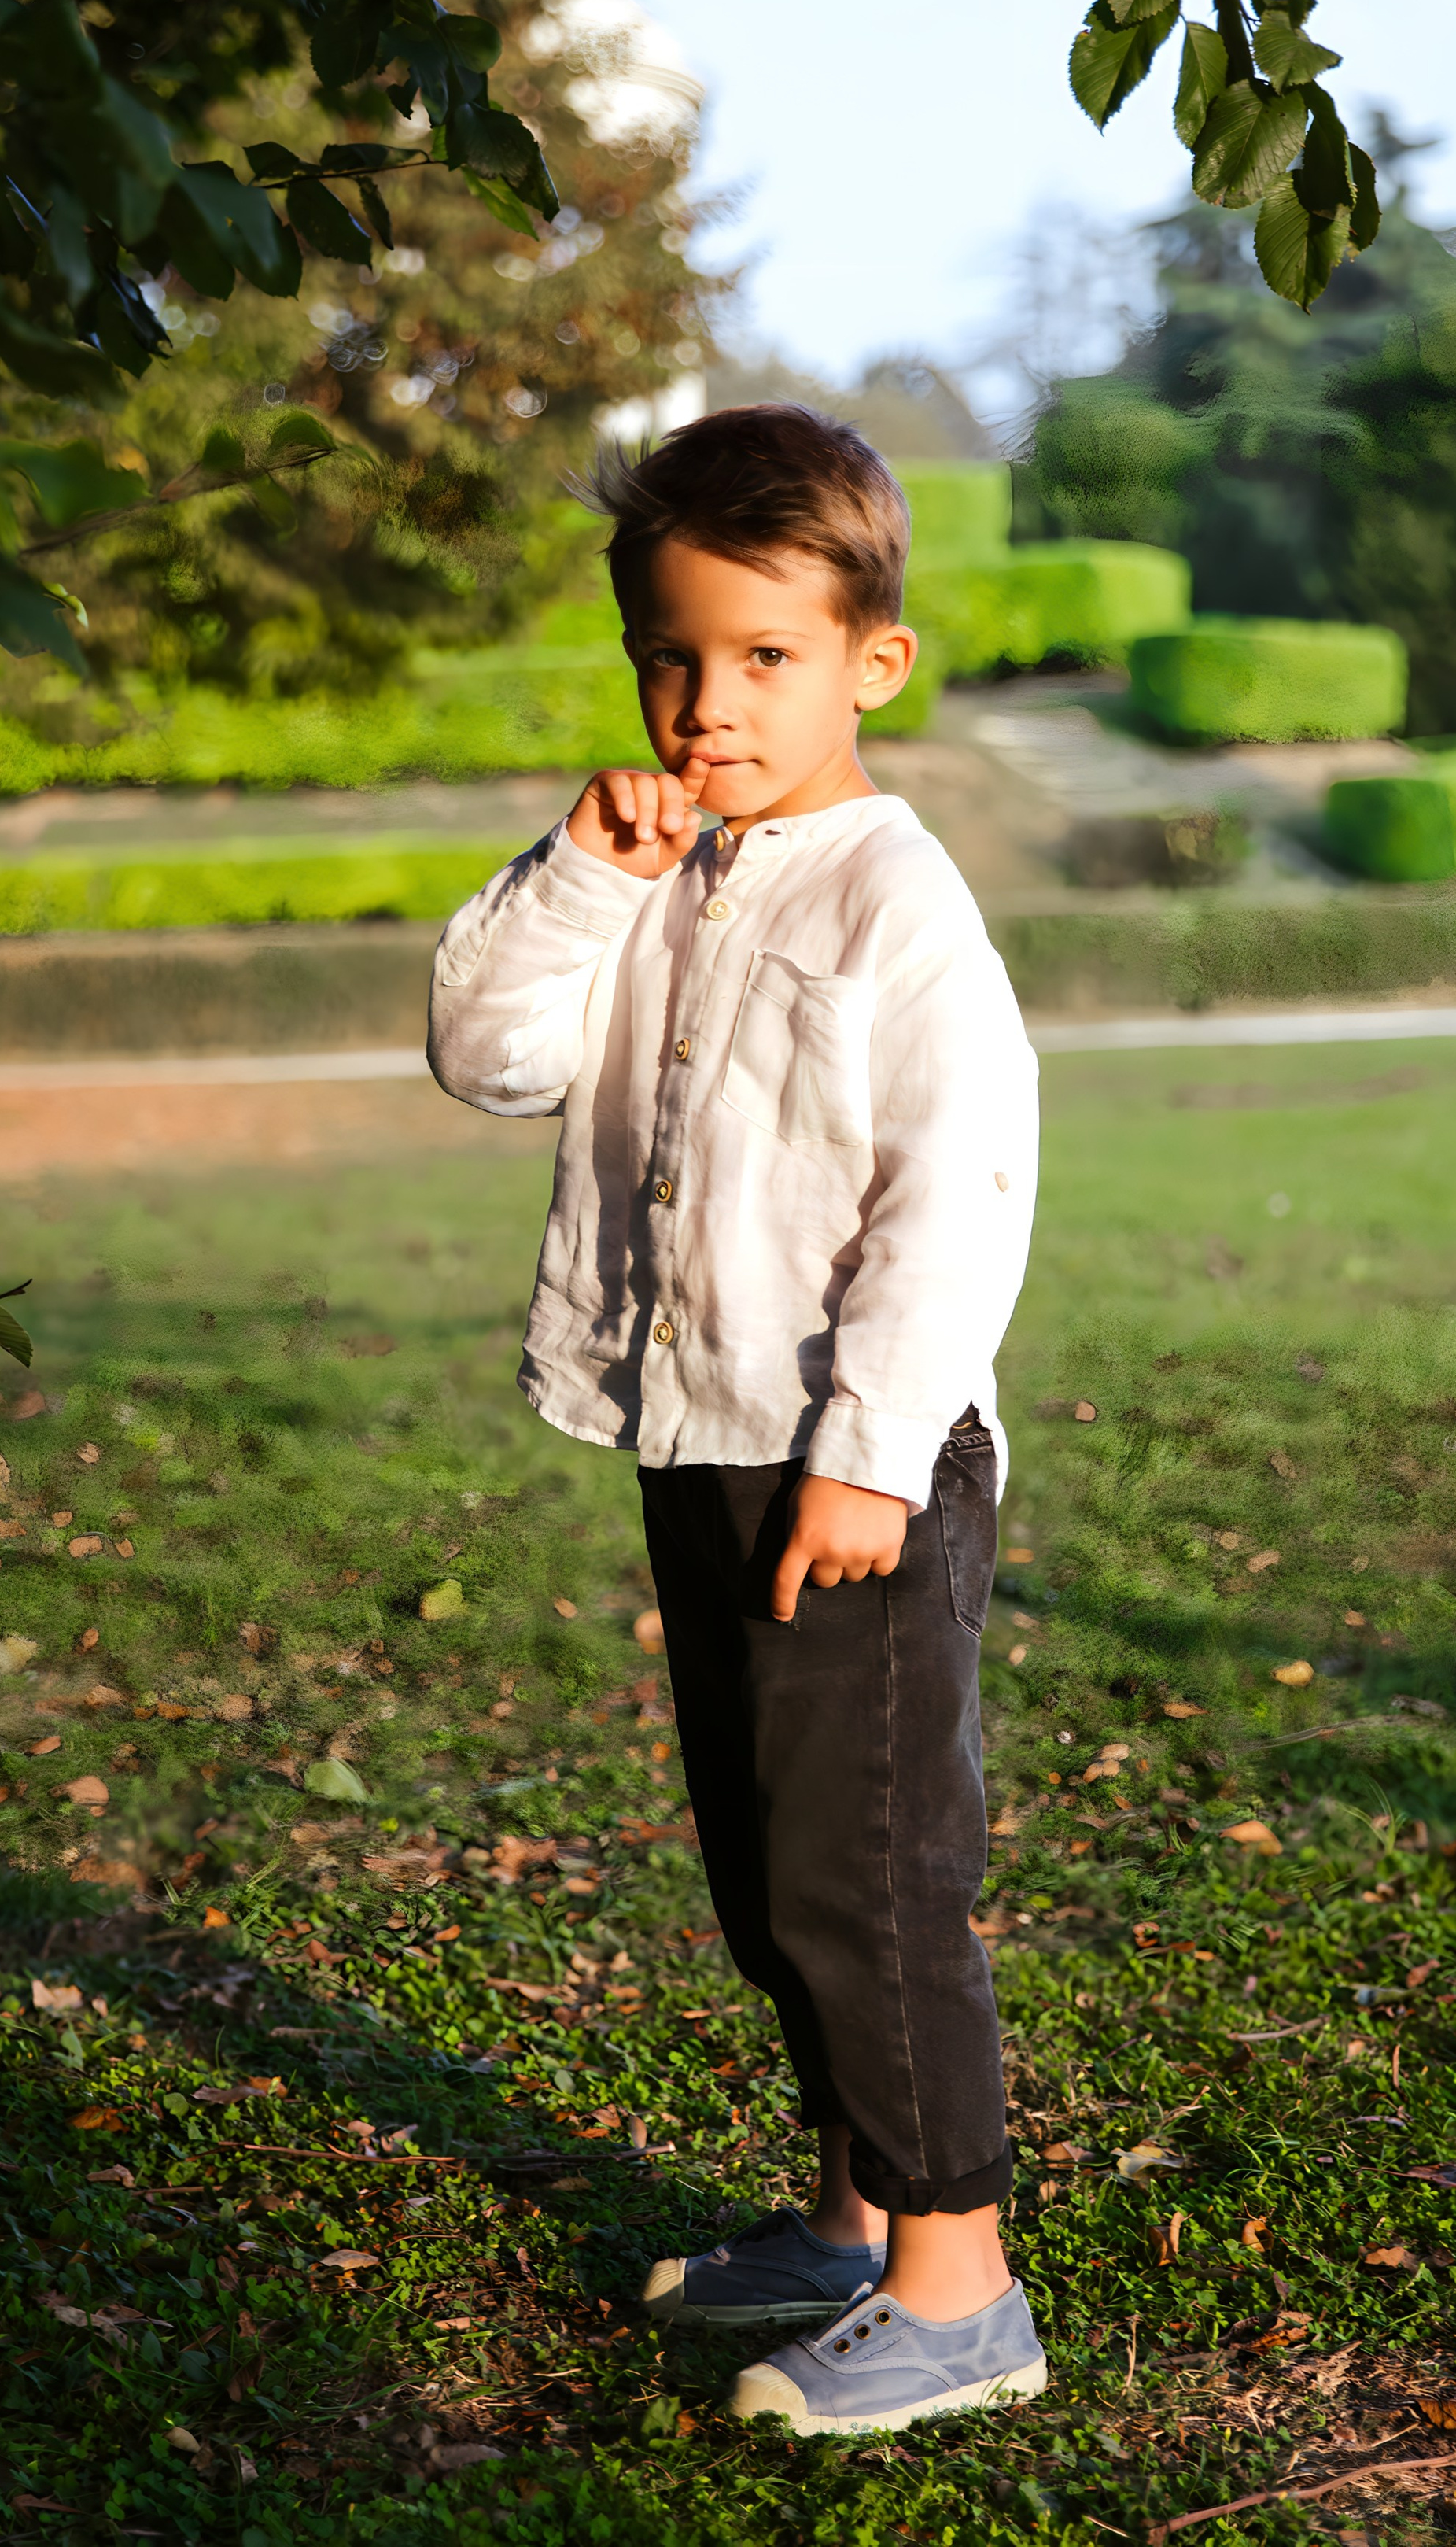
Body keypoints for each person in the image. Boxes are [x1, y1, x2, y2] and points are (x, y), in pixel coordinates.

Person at [427, 403, 1042, 2434]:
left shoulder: (897, 903)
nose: (708, 705)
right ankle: (852, 2223)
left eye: (763, 658)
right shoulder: (653, 868)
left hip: (851, 1461)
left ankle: (963, 2285)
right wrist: (580, 880)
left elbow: (951, 1200)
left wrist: (870, 1449)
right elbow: (492, 1059)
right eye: (672, 658)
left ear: (873, 659)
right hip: (698, 1433)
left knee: (869, 1873)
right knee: (770, 1865)